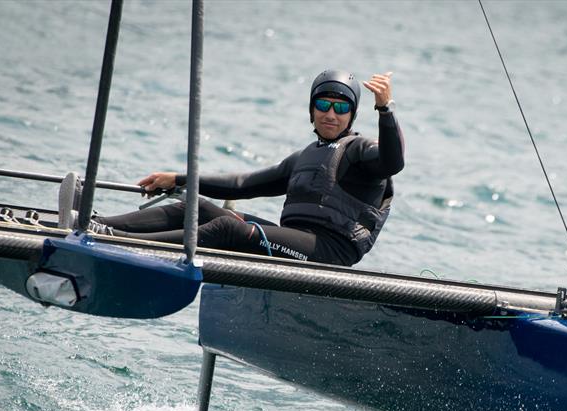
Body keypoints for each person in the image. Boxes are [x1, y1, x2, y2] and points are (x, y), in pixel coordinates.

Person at [60, 70, 404, 267]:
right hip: (296, 242)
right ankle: (94, 222)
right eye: (323, 103)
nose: (331, 113)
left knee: (230, 228)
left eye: (341, 106)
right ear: (312, 109)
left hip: (329, 253)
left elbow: (394, 162)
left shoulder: (362, 150)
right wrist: (180, 179)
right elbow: (242, 183)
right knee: (193, 207)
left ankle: (114, 241)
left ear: (352, 114)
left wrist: (385, 109)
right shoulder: (305, 157)